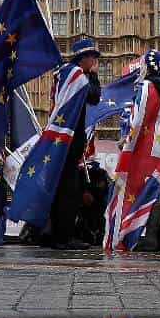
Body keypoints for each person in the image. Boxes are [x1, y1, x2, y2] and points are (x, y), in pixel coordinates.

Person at [48, 37, 102, 250]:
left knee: (62, 188)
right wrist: (94, 76)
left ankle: (58, 235)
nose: (95, 62)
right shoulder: (77, 75)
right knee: (69, 190)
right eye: (93, 58)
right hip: (69, 139)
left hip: (62, 138)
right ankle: (64, 237)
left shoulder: (66, 73)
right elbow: (94, 96)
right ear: (84, 58)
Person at [128, 49, 160, 253]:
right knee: (155, 189)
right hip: (159, 146)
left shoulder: (145, 87)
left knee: (141, 190)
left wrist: (128, 142)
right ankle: (157, 238)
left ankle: (150, 238)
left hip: (144, 146)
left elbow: (138, 119)